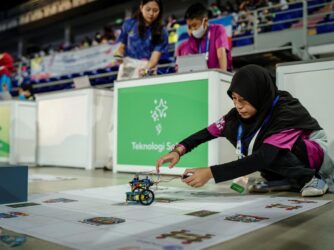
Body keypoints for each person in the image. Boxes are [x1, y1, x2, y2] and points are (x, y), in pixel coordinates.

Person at [156, 65, 334, 197]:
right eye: (234, 99)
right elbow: (206, 133)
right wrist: (178, 151)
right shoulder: (236, 116)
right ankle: (286, 180)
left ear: (258, 95)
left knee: (270, 150)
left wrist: (211, 173)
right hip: (282, 153)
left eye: (244, 100)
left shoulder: (285, 111)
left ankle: (311, 179)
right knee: (241, 134)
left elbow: (264, 157)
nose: (238, 106)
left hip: (314, 153)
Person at [115, 0, 168, 77]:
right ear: (141, 8)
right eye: (148, 9)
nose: (151, 13)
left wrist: (146, 70)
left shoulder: (162, 32)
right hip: (128, 67)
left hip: (148, 68)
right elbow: (121, 47)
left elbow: (154, 59)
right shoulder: (128, 24)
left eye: (155, 10)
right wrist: (118, 56)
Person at [177, 3, 232, 72]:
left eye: (194, 25)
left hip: (217, 76)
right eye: (189, 27)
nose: (191, 30)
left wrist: (222, 77)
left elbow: (221, 54)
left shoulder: (218, 30)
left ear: (205, 21)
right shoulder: (188, 43)